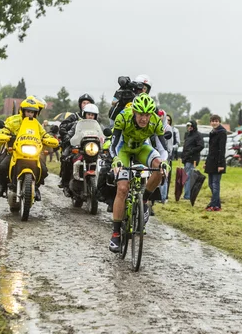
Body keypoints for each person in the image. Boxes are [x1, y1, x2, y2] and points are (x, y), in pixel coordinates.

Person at [108, 93, 169, 253]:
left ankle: (143, 201)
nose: (144, 118)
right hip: (123, 150)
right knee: (122, 188)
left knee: (159, 169)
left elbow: (163, 148)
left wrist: (164, 163)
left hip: (142, 148)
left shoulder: (155, 121)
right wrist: (116, 160)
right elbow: (113, 145)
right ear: (134, 112)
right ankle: (115, 234)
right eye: (141, 114)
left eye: (147, 115)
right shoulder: (123, 117)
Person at [0, 97, 57, 200]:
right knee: (1, 166)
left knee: (44, 170)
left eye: (32, 112)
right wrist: (4, 136)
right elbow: (3, 131)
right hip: (14, 151)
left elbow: (44, 135)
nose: (30, 114)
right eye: (28, 111)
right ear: (22, 111)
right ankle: (1, 185)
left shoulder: (36, 124)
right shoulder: (13, 120)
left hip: (33, 152)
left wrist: (50, 139)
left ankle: (35, 187)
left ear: (36, 114)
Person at [59, 103, 100, 195]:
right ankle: (65, 184)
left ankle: (101, 187)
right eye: (89, 114)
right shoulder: (78, 124)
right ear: (84, 114)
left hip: (94, 151)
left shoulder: (97, 126)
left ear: (95, 116)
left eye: (92, 115)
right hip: (80, 149)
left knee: (105, 163)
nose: (90, 116)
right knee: (67, 159)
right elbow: (71, 133)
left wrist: (106, 140)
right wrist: (68, 138)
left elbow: (102, 136)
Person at [204, 114, 227, 211]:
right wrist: (206, 162)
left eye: (216, 121)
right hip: (211, 162)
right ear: (210, 122)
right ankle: (217, 205)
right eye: (213, 121)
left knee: (215, 184)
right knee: (210, 184)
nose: (214, 123)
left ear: (219, 122)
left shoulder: (222, 132)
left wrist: (221, 165)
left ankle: (213, 205)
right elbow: (210, 150)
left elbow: (222, 150)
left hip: (218, 162)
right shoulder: (212, 132)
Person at [182, 120, 204, 200]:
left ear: (194, 126)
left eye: (191, 126)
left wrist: (191, 151)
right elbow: (185, 146)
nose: (189, 127)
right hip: (186, 158)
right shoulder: (188, 135)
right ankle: (187, 194)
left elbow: (201, 146)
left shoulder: (198, 135)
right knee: (186, 177)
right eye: (188, 126)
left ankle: (187, 195)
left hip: (192, 159)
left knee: (188, 177)